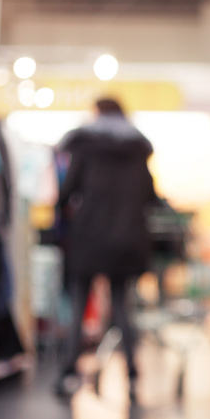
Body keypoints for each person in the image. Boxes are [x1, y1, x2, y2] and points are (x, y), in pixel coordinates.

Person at [55, 98, 158, 400]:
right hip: (127, 240)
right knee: (122, 308)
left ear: (97, 112)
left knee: (78, 306)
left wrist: (61, 213)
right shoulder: (137, 151)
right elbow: (150, 195)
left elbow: (67, 193)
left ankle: (68, 373)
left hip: (88, 237)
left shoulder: (84, 146)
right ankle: (132, 376)